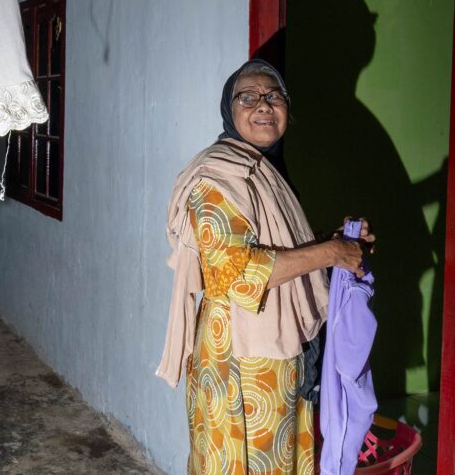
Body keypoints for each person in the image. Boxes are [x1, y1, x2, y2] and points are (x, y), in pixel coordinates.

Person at [158, 59, 375, 474]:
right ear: (229, 110)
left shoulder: (265, 170)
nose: (263, 105)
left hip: (278, 349)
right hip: (240, 358)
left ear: (288, 109)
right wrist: (331, 252)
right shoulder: (217, 177)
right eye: (248, 97)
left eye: (273, 96)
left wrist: (340, 245)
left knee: (282, 461)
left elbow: (286, 253)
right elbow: (237, 275)